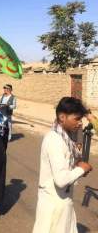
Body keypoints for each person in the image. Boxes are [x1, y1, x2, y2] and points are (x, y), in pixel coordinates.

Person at [32, 97, 93, 233]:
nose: (79, 123)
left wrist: (78, 166)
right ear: (62, 117)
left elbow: (67, 165)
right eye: (77, 119)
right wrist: (81, 169)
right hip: (54, 203)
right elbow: (61, 180)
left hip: (63, 201)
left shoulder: (65, 137)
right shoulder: (55, 141)